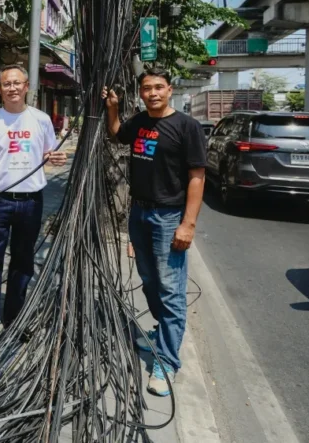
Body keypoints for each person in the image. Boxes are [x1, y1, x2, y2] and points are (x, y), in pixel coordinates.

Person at [102, 67, 206, 397]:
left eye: (159, 87)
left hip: (169, 216)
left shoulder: (187, 127)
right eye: (147, 88)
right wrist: (113, 108)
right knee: (149, 280)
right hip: (140, 213)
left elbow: (197, 177)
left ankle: (167, 361)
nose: (153, 93)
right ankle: (163, 336)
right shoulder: (139, 122)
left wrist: (188, 224)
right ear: (141, 92)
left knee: (171, 289)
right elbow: (117, 134)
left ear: (170, 90)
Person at [0, 64, 67, 354]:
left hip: (31, 201)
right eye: (6, 83)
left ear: (26, 87)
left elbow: (48, 153)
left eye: (17, 83)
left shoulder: (41, 119)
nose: (12, 88)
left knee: (22, 262)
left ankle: (14, 320)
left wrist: (55, 158)